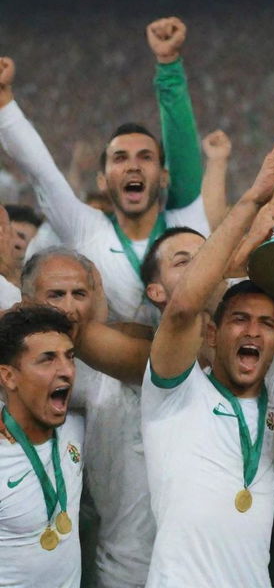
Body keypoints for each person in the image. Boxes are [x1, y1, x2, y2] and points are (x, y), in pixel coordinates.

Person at [142, 129, 274, 586]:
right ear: (211, 332)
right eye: (239, 320)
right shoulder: (174, 389)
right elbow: (185, 304)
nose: (252, 331)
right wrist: (252, 201)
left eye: (266, 325)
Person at [0, 21, 208, 326]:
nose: (133, 166)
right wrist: (5, 103)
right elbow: (43, 174)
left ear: (163, 176)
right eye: (120, 158)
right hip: (104, 373)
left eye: (145, 157)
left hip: (186, 372)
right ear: (102, 180)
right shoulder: (87, 229)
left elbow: (184, 155)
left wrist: (169, 67)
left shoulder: (185, 224)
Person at [19, 248, 155, 588]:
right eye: (56, 295)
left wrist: (92, 316)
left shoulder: (117, 360)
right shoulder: (9, 371)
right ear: (26, 299)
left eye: (78, 294)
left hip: (131, 564)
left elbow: (145, 350)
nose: (68, 306)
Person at [0, 305, 82, 587]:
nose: (67, 371)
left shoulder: (76, 427)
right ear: (9, 376)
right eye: (47, 360)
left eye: (69, 357)